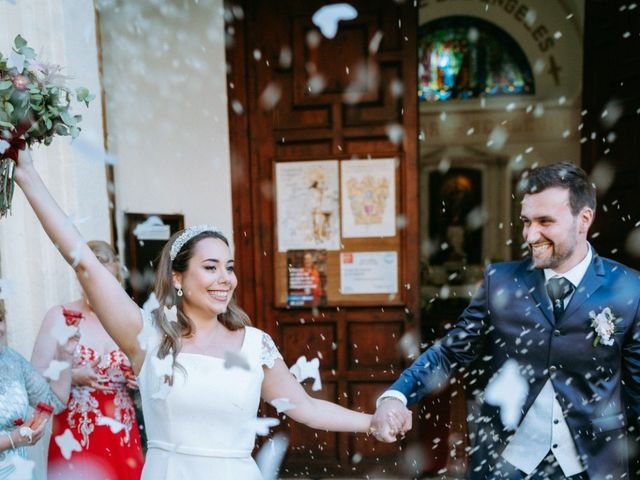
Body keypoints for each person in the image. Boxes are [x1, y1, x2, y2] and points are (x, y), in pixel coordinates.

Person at [14, 149, 382, 480]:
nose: (226, 279)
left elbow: (304, 406)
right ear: (177, 276)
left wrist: (370, 422)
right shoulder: (148, 339)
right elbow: (86, 266)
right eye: (210, 267)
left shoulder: (254, 347)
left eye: (229, 267)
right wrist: (27, 174)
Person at [372, 161, 640, 479]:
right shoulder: (500, 282)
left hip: (593, 467)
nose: (530, 235)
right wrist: (397, 395)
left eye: (545, 221)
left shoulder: (628, 288)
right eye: (526, 221)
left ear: (583, 220)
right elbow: (450, 352)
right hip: (504, 465)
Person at [31, 241, 144, 479]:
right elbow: (33, 377)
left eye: (108, 283)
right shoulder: (60, 316)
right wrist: (72, 375)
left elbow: (155, 369)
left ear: (117, 280)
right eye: (91, 283)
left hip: (121, 430)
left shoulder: (132, 319)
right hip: (75, 433)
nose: (99, 290)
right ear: (80, 279)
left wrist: (140, 377)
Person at [0, 300, 78, 478]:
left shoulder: (12, 360)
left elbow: (53, 401)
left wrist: (65, 354)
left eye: (0, 318)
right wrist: (12, 440)